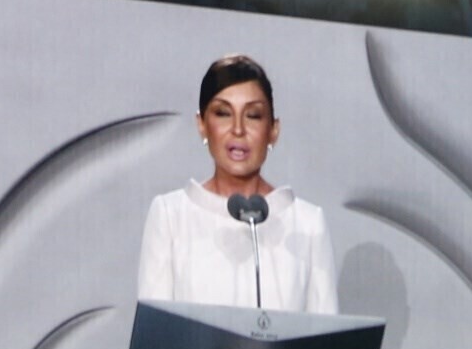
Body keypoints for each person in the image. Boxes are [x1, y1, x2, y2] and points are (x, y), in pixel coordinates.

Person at [138, 54, 339, 314]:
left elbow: (325, 332)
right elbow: (156, 332)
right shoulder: (171, 216)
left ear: (273, 130)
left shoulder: (307, 223)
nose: (238, 129)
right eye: (223, 113)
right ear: (202, 125)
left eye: (253, 115)